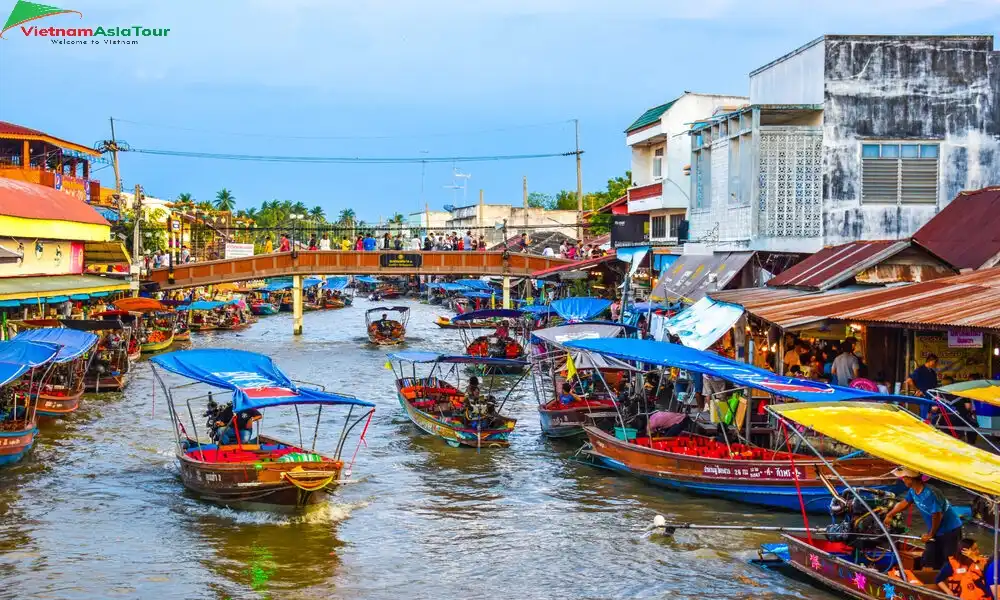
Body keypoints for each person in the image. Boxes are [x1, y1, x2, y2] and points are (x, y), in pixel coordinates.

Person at [883, 467, 964, 570]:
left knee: (949, 560)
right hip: (934, 530)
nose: (903, 480)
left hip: (950, 530)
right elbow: (905, 502)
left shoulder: (931, 493)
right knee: (928, 559)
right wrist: (890, 514)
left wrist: (931, 534)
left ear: (911, 479)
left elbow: (937, 515)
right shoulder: (913, 490)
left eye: (905, 478)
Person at [907, 353, 939, 418]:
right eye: (935, 362)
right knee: (923, 417)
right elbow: (909, 381)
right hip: (923, 397)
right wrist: (917, 390)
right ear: (931, 361)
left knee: (932, 417)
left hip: (932, 398)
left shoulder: (933, 373)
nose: (936, 364)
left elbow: (935, 386)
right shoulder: (920, 370)